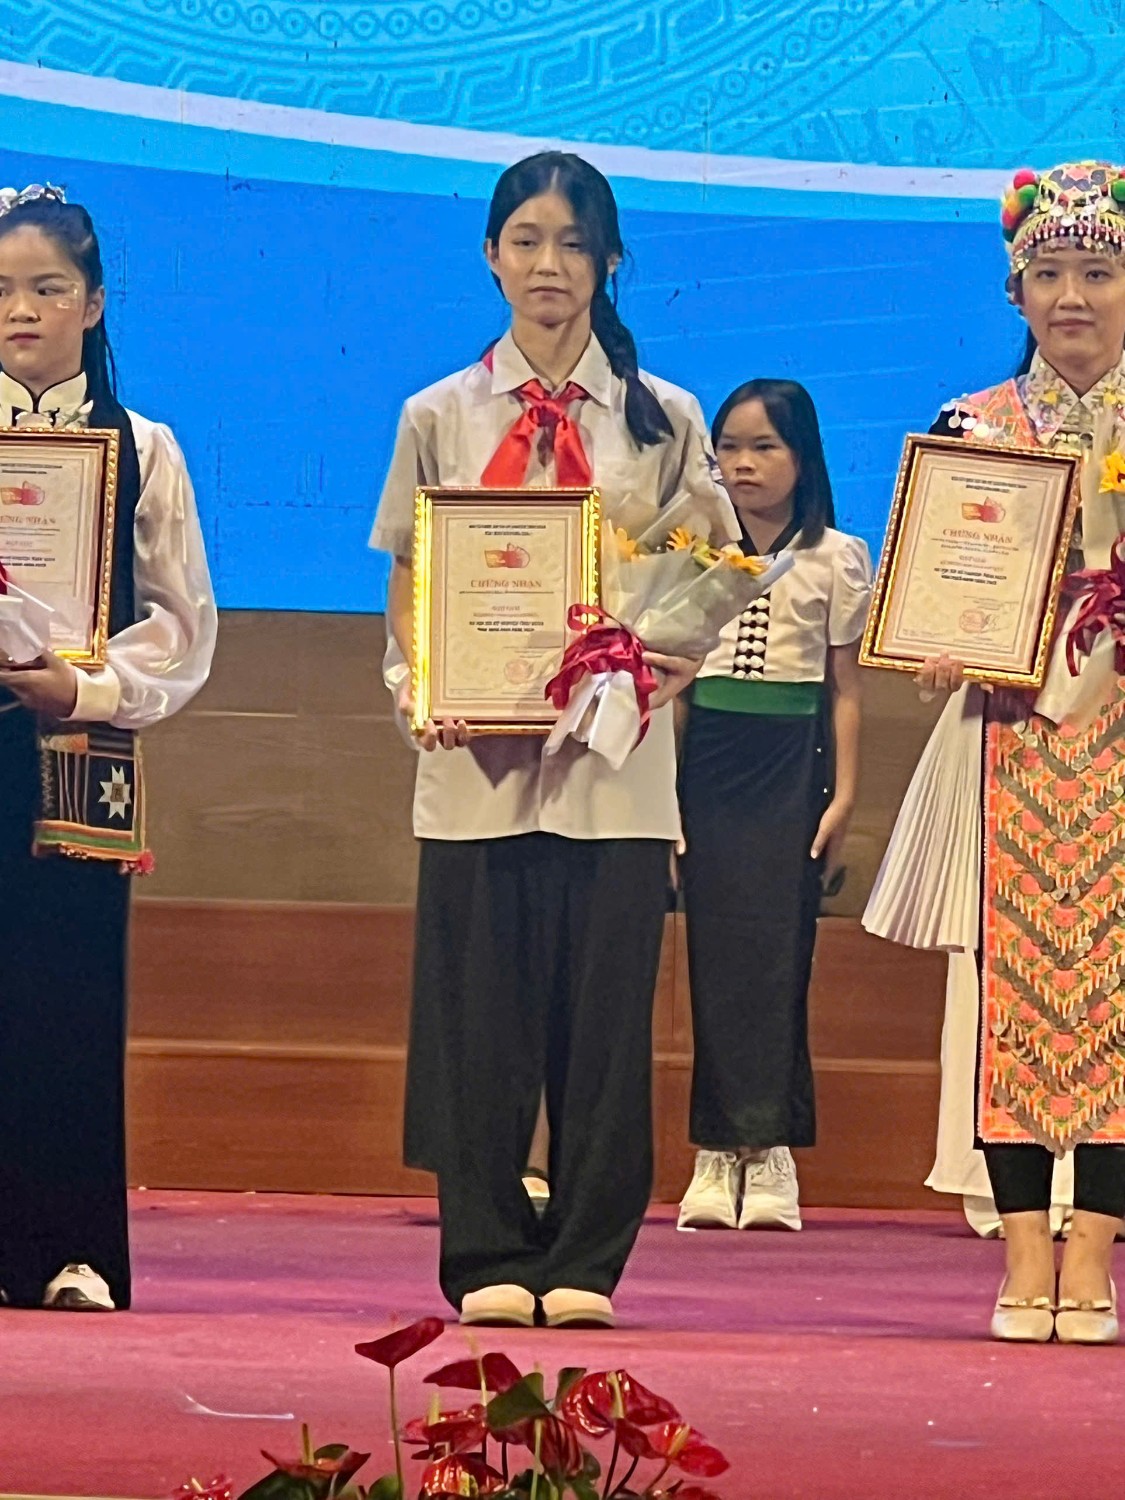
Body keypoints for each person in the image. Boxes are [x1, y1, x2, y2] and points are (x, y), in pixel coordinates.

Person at [370, 151, 737, 1328]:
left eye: (574, 244)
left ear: (609, 260)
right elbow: (409, 582)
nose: (549, 266)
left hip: (613, 773)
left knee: (605, 1025)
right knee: (477, 1022)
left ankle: (585, 1257)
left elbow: (713, 570)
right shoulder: (437, 414)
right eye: (526, 241)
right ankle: (483, 1251)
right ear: (491, 255)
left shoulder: (667, 417)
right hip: (477, 770)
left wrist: (665, 657)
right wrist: (423, 691)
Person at [866, 161, 1125, 1342]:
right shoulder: (974, 426)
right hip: (1009, 732)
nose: (1073, 297)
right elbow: (924, 580)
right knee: (1008, 995)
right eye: (1051, 273)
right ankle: (1023, 1247)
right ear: (1016, 290)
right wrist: (933, 636)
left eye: (1099, 273)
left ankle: (1094, 1256)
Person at [0, 184, 216, 1311]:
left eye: (47, 289)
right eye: (1, 291)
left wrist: (81, 686)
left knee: (74, 992)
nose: (21, 311)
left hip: (78, 748)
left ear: (91, 303)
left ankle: (73, 1249)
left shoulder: (144, 447)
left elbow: (182, 627)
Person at [676, 380, 870, 1232]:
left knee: (780, 957)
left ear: (802, 457)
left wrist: (846, 797)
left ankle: (774, 1151)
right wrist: (667, 796)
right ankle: (716, 1150)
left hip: (793, 764)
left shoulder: (837, 555)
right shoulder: (692, 549)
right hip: (710, 762)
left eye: (764, 446)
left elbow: (846, 689)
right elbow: (676, 688)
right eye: (728, 446)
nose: (743, 463)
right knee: (715, 956)